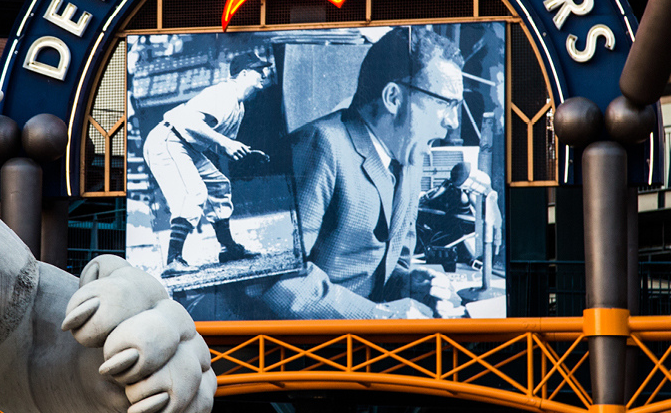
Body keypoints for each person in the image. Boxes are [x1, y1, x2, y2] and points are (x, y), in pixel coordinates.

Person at [265, 27, 498, 318]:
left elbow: (389, 267)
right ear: (393, 98)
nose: (452, 122)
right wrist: (380, 316)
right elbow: (278, 280)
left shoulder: (409, 158)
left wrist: (408, 284)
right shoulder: (319, 145)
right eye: (444, 103)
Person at [144, 51, 273, 276]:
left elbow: (215, 142)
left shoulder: (238, 105)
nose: (264, 73)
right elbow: (189, 121)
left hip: (188, 146)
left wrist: (244, 152)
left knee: (218, 186)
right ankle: (173, 260)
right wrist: (225, 143)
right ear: (243, 74)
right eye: (258, 69)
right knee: (192, 193)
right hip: (168, 139)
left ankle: (228, 247)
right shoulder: (224, 93)